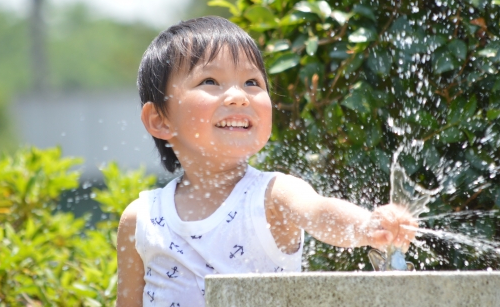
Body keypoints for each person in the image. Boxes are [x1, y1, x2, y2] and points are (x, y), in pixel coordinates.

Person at [116, 16, 416, 306]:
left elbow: (319, 212)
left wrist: (366, 225)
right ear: (160, 119)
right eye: (210, 81)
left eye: (251, 82)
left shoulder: (272, 196)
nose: (238, 96)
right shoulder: (141, 219)